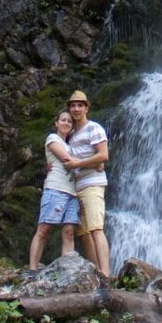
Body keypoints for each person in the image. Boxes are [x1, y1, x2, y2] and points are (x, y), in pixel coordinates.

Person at [28, 109, 83, 270]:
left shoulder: (71, 145)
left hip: (72, 193)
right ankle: (32, 269)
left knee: (68, 232)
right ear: (56, 123)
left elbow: (73, 162)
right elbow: (66, 159)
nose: (66, 123)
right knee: (44, 229)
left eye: (69, 121)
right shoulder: (52, 138)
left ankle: (69, 270)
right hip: (55, 189)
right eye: (63, 120)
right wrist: (94, 163)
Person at [65, 90, 110, 277]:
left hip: (92, 184)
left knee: (96, 228)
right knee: (83, 233)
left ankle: (105, 274)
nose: (76, 109)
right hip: (76, 187)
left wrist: (79, 164)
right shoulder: (71, 135)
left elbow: (103, 155)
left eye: (80, 105)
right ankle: (95, 273)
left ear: (86, 108)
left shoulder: (94, 128)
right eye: (73, 105)